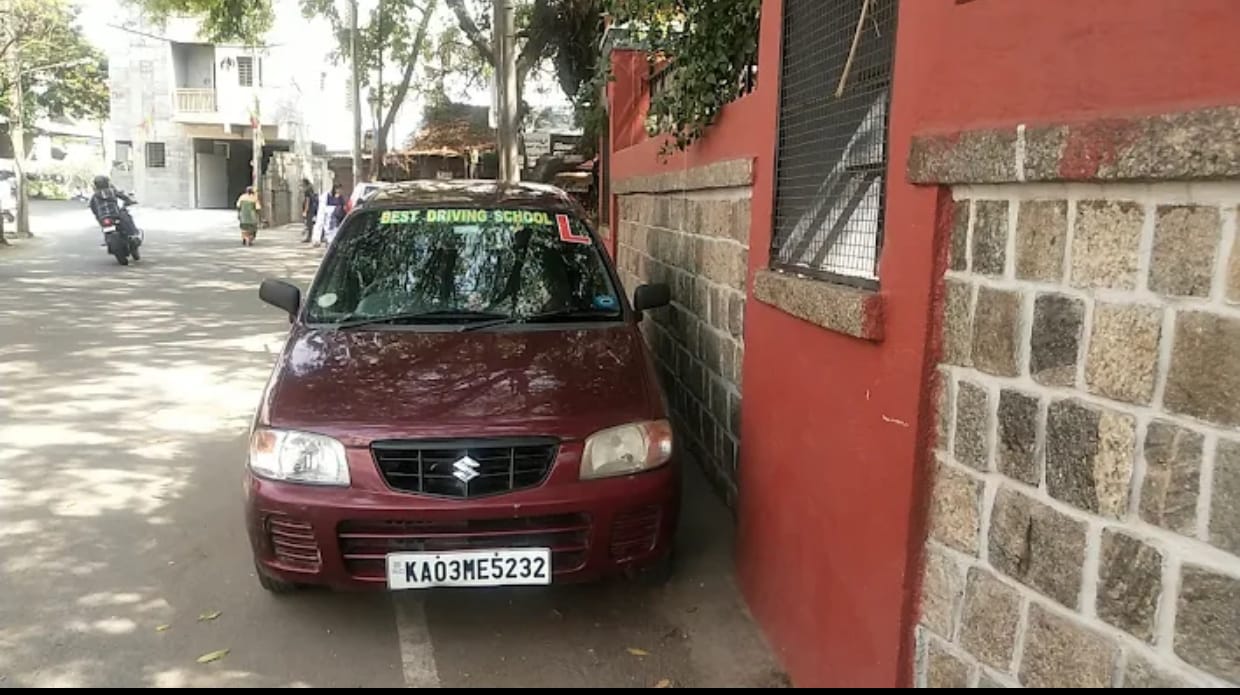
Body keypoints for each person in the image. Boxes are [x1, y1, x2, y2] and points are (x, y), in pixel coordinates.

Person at [300, 178, 318, 243]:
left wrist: (305, 210)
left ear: (305, 183)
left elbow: (307, 201)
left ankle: (309, 237)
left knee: (309, 224)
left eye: (302, 183)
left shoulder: (307, 191)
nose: (301, 185)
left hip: (309, 209)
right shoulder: (311, 189)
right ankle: (309, 237)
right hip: (312, 209)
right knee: (309, 224)